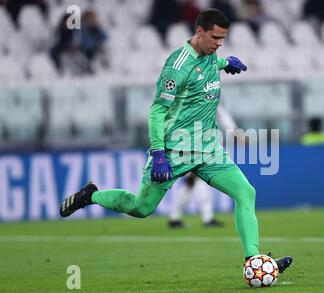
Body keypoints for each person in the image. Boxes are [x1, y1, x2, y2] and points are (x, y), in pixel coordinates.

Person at [60, 8, 293, 273]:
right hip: (174, 150)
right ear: (199, 32)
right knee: (141, 208)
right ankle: (92, 195)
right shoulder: (177, 67)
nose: (219, 43)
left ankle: (253, 260)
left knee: (246, 192)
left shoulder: (210, 54)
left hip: (207, 149)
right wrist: (158, 154)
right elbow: (157, 112)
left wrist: (226, 62)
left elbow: (208, 64)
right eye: (215, 38)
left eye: (223, 39)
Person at [168, 104, 239, 228]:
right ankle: (207, 218)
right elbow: (222, 114)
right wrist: (234, 131)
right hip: (198, 147)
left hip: (193, 145)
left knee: (190, 183)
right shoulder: (206, 98)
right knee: (198, 180)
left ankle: (175, 216)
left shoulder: (193, 101)